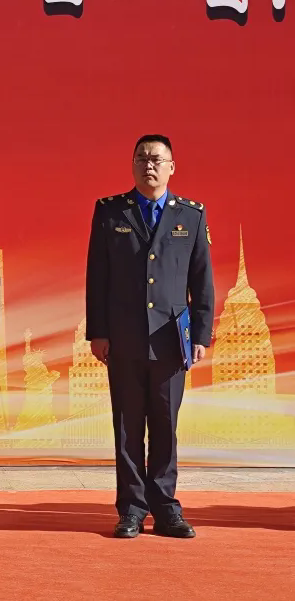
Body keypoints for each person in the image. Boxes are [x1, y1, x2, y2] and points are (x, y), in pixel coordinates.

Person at [86, 134, 214, 539]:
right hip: (123, 338)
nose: (149, 165)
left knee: (164, 425)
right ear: (132, 165)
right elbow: (97, 277)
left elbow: (202, 280)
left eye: (157, 159)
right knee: (127, 426)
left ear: (172, 167)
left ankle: (165, 507)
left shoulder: (191, 215)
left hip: (170, 339)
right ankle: (131, 509)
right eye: (142, 158)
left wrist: (201, 334)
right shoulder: (110, 211)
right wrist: (98, 332)